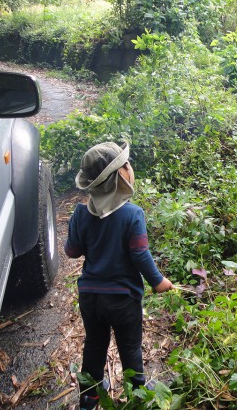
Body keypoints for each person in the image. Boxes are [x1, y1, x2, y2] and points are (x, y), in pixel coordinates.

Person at [64, 141, 174, 410]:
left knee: (94, 345)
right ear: (121, 176)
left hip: (90, 297)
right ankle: (136, 393)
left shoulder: (80, 213)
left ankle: (89, 395)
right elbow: (139, 255)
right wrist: (158, 281)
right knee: (130, 348)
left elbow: (72, 251)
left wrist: (81, 232)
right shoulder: (133, 215)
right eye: (127, 164)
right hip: (123, 300)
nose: (130, 167)